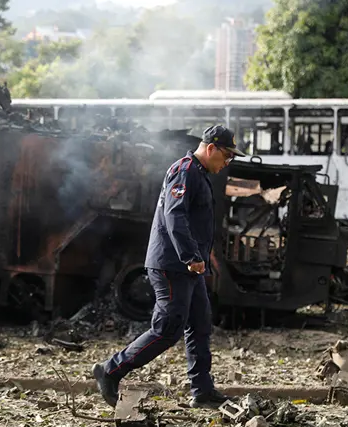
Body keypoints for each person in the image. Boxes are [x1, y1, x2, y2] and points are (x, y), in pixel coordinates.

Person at [92, 125, 245, 409]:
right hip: (174, 265)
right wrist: (190, 256)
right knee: (167, 329)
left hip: (188, 266)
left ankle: (202, 390)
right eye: (227, 156)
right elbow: (174, 215)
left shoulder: (198, 173)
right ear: (211, 148)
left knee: (200, 323)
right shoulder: (185, 170)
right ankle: (110, 370)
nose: (227, 163)